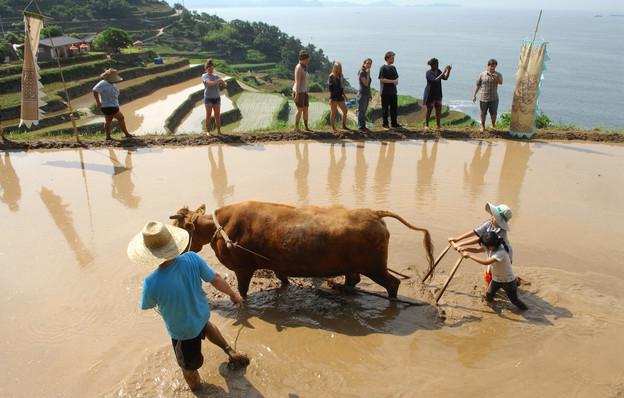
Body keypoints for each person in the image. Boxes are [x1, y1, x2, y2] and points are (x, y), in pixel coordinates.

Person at [128, 221, 250, 391]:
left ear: (150, 254)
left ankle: (198, 389)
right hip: (201, 314)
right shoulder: (192, 258)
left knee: (188, 367)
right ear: (172, 243)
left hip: (183, 333)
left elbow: (148, 305)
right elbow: (215, 278)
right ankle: (230, 351)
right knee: (206, 326)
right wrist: (233, 294)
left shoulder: (151, 282)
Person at [458, 231, 528, 310]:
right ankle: (492, 307)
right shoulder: (491, 246)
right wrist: (465, 249)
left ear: (491, 246)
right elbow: (477, 250)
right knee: (489, 295)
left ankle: (526, 310)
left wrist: (469, 255)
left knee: (514, 300)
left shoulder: (501, 252)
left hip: (508, 281)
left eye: (485, 246)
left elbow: (486, 262)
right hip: (496, 279)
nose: (484, 247)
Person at [92, 68, 133, 140]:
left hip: (112, 105)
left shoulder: (112, 84)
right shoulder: (103, 83)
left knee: (108, 121)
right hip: (108, 106)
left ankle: (108, 137)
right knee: (121, 118)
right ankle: (127, 134)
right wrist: (98, 102)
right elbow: (95, 90)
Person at [473, 58, 503, 132]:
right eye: (491, 66)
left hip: (494, 98)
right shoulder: (482, 74)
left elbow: (501, 82)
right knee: (483, 113)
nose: (493, 68)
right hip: (483, 97)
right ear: (488, 65)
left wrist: (496, 78)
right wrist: (474, 95)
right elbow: (478, 85)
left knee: (493, 113)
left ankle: (493, 125)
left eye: (494, 66)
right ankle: (482, 126)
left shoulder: (498, 74)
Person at [423, 58, 451, 130]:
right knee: (429, 110)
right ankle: (426, 125)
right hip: (430, 94)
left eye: (438, 64)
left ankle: (438, 126)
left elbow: (445, 78)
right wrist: (444, 71)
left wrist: (448, 71)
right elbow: (435, 80)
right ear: (432, 65)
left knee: (438, 110)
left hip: (438, 94)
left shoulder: (438, 71)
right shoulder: (428, 73)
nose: (438, 65)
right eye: (436, 64)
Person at [203, 59, 226, 135]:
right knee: (208, 115)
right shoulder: (204, 76)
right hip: (208, 98)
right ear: (206, 69)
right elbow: (209, 84)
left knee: (217, 115)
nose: (211, 70)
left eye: (212, 69)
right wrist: (218, 81)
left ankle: (219, 131)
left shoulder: (216, 76)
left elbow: (225, 84)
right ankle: (208, 131)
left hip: (217, 98)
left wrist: (223, 83)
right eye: (209, 69)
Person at [378, 51, 400, 129]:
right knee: (385, 109)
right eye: (392, 58)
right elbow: (381, 79)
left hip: (393, 91)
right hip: (385, 92)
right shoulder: (383, 68)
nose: (393, 59)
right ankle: (385, 124)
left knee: (394, 108)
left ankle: (394, 123)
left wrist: (396, 81)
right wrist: (392, 81)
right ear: (387, 58)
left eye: (393, 58)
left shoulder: (393, 67)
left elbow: (396, 77)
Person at [293, 50, 311, 132]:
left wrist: (307, 89)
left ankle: (306, 127)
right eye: (308, 59)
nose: (309, 61)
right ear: (304, 59)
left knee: (306, 109)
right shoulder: (299, 67)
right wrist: (296, 94)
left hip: (304, 91)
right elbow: (297, 82)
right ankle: (296, 127)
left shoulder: (305, 67)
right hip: (299, 91)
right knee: (300, 109)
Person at [328, 62, 348, 132]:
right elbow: (330, 88)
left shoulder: (341, 75)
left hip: (340, 96)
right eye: (336, 67)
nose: (337, 69)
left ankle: (344, 125)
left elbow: (341, 87)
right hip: (333, 96)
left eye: (338, 67)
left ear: (340, 68)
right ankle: (333, 127)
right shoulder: (331, 76)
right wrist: (330, 98)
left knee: (345, 111)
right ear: (334, 68)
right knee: (333, 112)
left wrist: (344, 95)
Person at [357, 58, 373, 132]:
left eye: (370, 63)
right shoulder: (362, 72)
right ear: (364, 63)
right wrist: (368, 74)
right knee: (361, 111)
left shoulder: (366, 72)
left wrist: (370, 94)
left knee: (364, 111)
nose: (369, 65)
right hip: (362, 94)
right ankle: (360, 127)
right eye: (367, 63)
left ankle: (363, 126)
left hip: (366, 94)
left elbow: (368, 86)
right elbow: (366, 84)